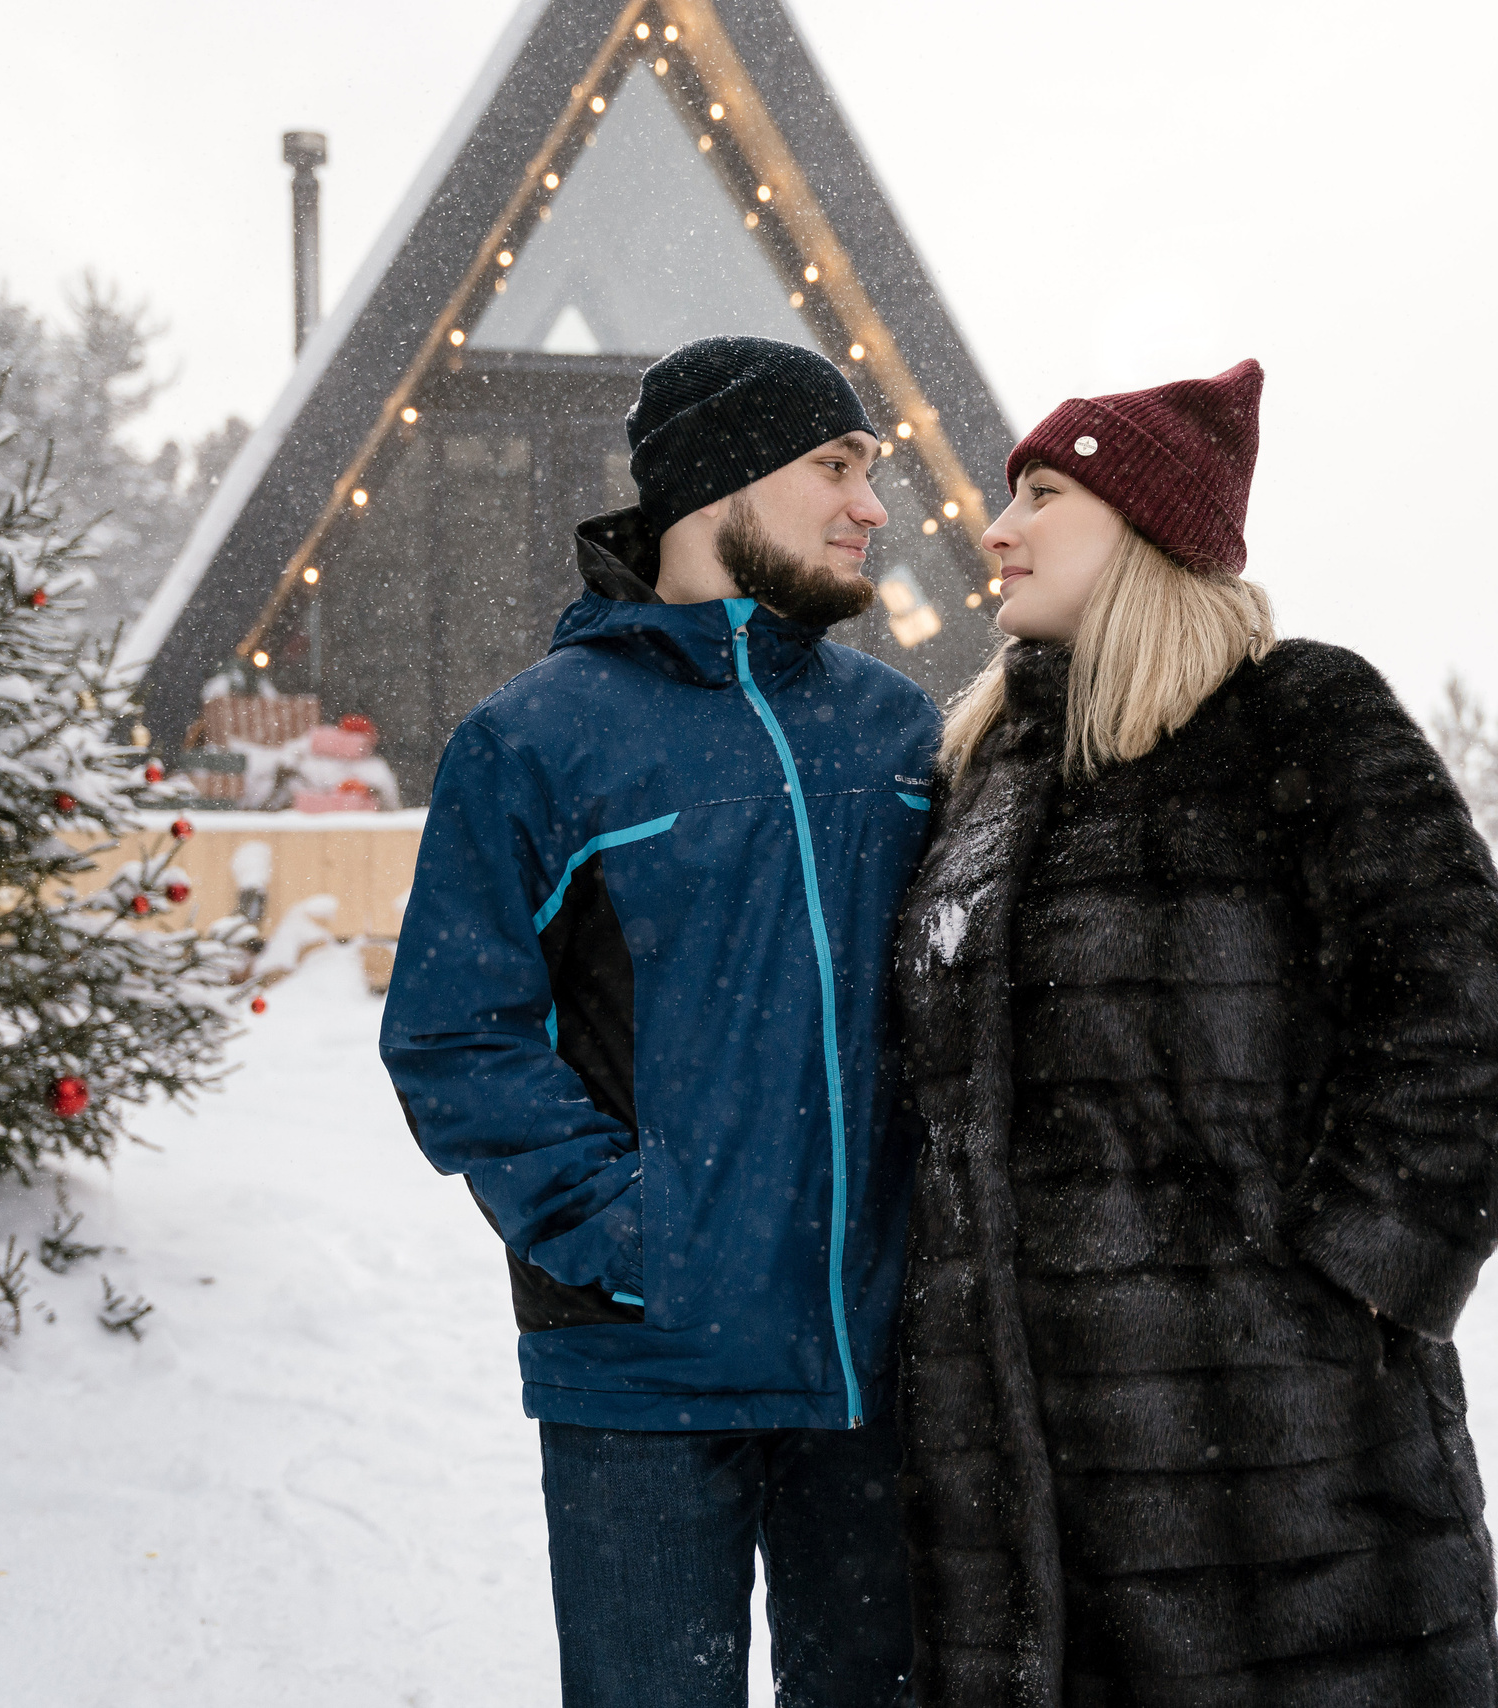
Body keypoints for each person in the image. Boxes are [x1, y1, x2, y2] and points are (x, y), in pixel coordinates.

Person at [891, 360, 1498, 1706]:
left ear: (1145, 525)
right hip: (1022, 1493)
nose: (996, 529)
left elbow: (1464, 1006)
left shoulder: (1297, 717)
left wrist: (1346, 1287)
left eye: (1044, 493)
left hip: (1282, 1471)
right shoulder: (986, 776)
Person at [382, 335, 939, 1708]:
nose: (872, 507)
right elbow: (456, 1035)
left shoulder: (901, 733)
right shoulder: (536, 741)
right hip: (642, 1374)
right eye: (835, 467)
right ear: (718, 486)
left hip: (876, 1371)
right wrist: (633, 1237)